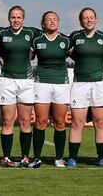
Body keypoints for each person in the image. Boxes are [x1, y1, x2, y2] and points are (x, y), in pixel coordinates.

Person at [0, 5, 40, 167]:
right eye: (13, 17)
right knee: (8, 120)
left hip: (26, 81)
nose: (16, 20)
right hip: (7, 80)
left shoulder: (31, 33)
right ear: (9, 18)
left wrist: (34, 53)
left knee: (25, 120)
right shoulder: (1, 33)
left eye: (19, 17)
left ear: (23, 19)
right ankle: (6, 157)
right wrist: (1, 55)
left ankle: (25, 157)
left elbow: (48, 37)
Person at [68, 7, 103, 167]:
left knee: (100, 122)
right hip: (80, 83)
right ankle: (72, 158)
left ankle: (102, 158)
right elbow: (67, 51)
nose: (89, 20)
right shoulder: (75, 36)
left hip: (100, 83)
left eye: (91, 17)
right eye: (85, 18)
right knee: (77, 122)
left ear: (96, 19)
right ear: (81, 21)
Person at [29, 11, 72, 168]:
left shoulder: (66, 40)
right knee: (41, 121)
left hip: (61, 84)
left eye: (55, 19)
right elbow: (28, 56)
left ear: (58, 22)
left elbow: (79, 55)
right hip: (42, 83)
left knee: (60, 122)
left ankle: (59, 158)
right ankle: (37, 158)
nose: (52, 22)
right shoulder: (37, 40)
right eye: (49, 19)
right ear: (43, 24)